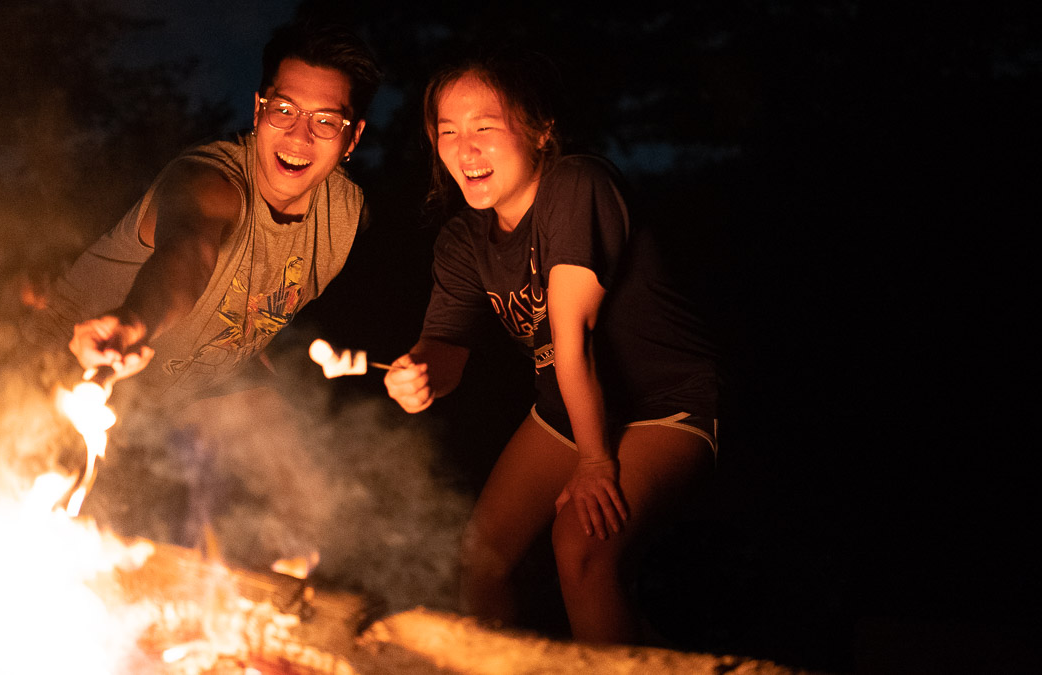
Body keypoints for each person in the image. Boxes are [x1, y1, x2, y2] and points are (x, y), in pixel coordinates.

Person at [382, 55, 720, 645]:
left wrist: (595, 463)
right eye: (448, 132)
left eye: (485, 127)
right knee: (480, 559)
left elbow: (573, 339)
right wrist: (420, 373)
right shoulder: (463, 240)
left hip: (665, 404)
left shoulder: (577, 184)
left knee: (581, 544)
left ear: (540, 131)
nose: (466, 150)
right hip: (566, 408)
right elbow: (447, 348)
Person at [39, 21, 380, 405]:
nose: (299, 136)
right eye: (284, 110)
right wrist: (132, 323)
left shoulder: (346, 217)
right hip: (48, 375)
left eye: (326, 121)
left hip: (151, 415)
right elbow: (189, 253)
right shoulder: (207, 181)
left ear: (353, 138)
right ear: (257, 111)